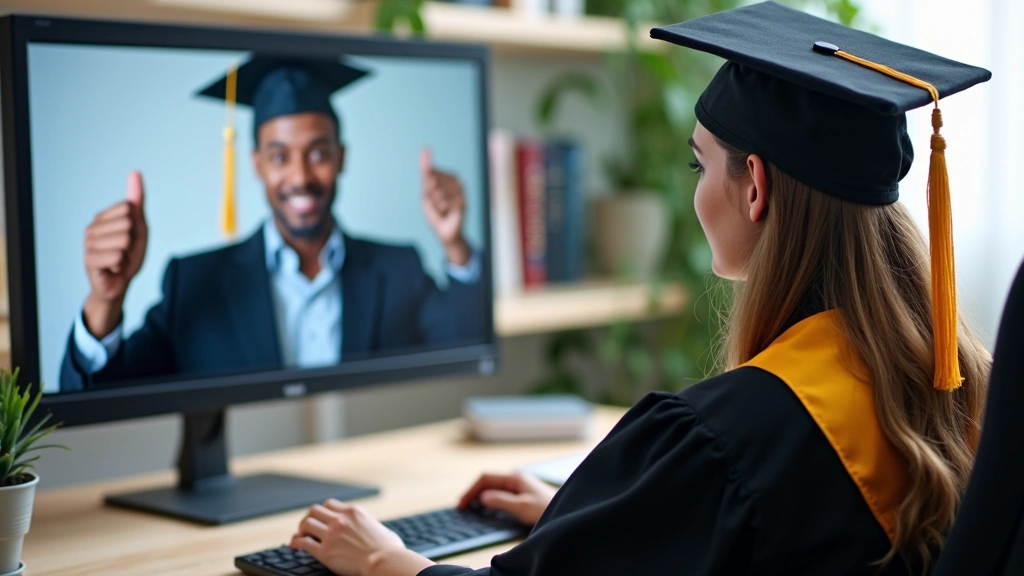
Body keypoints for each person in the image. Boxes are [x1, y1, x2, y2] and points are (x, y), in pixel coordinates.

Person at [282, 3, 995, 575]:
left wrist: (386, 560)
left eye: (699, 165)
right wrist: (603, 515)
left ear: (757, 191)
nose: (695, 189)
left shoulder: (728, 435)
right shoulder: (954, 381)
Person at [59, 56, 484, 392]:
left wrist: (455, 246)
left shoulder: (398, 269)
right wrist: (105, 301)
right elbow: (103, 397)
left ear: (341, 157)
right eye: (280, 156)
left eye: (317, 153)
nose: (299, 177)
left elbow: (471, 352)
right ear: (257, 164)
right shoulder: (194, 283)